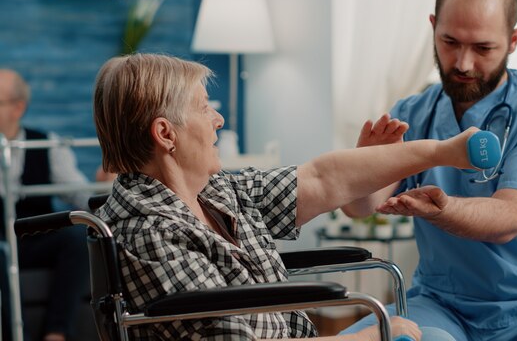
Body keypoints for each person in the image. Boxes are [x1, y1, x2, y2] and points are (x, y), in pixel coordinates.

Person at [91, 53, 486, 341]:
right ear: (165, 134)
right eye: (203, 108)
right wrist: (371, 337)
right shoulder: (149, 234)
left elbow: (322, 178)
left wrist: (446, 151)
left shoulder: (216, 192)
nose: (218, 119)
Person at [340, 0, 517, 340]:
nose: (463, 63)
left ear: (513, 40)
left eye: (483, 48)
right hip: (441, 304)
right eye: (450, 42)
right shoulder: (411, 114)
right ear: (433, 27)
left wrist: (444, 209)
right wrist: (362, 169)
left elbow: (508, 220)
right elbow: (360, 208)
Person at [0, 69, 101, 341]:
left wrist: (106, 199)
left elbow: (77, 194)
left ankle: (57, 333)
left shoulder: (47, 145)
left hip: (31, 238)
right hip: (0, 243)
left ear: (17, 108)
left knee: (76, 238)